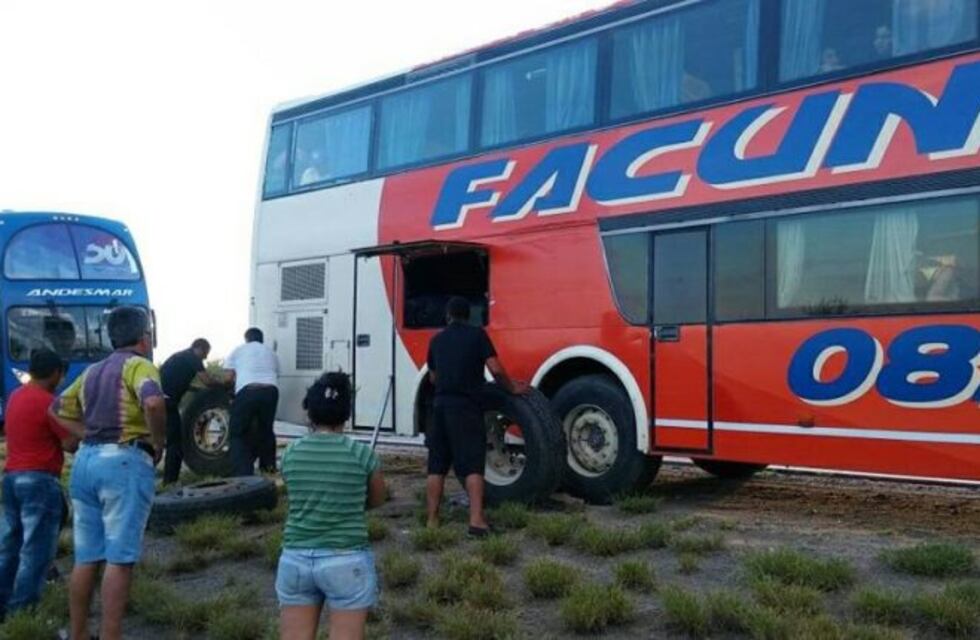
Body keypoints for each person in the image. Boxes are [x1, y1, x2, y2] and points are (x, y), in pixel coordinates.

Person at [50, 306, 166, 640]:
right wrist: (158, 442)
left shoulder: (93, 371)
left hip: (85, 463)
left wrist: (85, 433)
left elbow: (56, 408)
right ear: (145, 338)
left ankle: (78, 633)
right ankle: (111, 635)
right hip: (124, 463)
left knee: (86, 556)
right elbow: (154, 403)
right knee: (120, 557)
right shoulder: (140, 366)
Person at [277, 371, 386, 640]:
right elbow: (377, 500)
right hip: (346, 558)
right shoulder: (362, 454)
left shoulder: (291, 452)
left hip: (295, 558)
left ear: (309, 413)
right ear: (346, 414)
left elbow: (295, 492)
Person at [425, 296, 528, 536]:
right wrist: (511, 388)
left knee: (436, 465)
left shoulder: (436, 340)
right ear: (467, 316)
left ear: (448, 316)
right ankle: (477, 521)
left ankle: (432, 521)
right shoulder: (477, 335)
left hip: (440, 406)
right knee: (472, 465)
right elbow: (495, 368)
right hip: (466, 407)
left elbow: (433, 377)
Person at [0, 350, 77, 620]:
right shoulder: (49, 403)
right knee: (36, 553)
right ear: (55, 373)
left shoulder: (15, 397)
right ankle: (23, 614)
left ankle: (3, 607)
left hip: (10, 479)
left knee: (9, 547)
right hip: (39, 482)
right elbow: (71, 444)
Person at [224, 328, 280, 475]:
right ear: (262, 339)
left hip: (247, 390)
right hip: (270, 391)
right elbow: (276, 373)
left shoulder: (238, 350)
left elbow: (229, 378)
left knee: (238, 434)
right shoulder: (271, 352)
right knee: (266, 430)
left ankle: (243, 476)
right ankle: (268, 470)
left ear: (246, 339)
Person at [159, 338, 214, 484]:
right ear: (199, 348)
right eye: (205, 353)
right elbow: (207, 381)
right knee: (175, 442)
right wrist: (221, 385)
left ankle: (164, 478)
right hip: (167, 402)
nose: (206, 357)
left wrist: (197, 390)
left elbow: (175, 380)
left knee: (160, 439)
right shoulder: (192, 357)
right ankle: (169, 481)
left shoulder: (180, 357)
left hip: (159, 398)